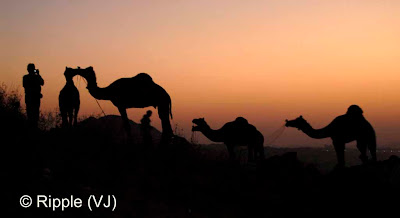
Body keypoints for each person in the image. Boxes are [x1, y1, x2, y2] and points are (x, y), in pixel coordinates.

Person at [23, 63, 44, 129]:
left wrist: (38, 75)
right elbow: (42, 82)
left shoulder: (26, 77)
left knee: (33, 115)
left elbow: (42, 83)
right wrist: (38, 75)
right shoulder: (27, 77)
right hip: (33, 98)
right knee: (32, 115)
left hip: (33, 98)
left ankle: (33, 128)